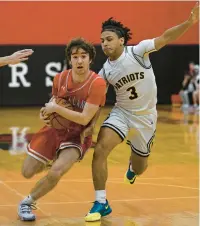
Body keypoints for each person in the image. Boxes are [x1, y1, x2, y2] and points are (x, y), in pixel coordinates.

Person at [85, 2, 199, 222]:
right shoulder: (105, 70)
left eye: (109, 39)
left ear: (121, 40)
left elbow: (165, 37)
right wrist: (90, 124)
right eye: (102, 41)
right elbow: (98, 101)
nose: (104, 44)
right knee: (100, 150)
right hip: (122, 113)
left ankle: (133, 167)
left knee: (140, 168)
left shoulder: (138, 51)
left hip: (146, 117)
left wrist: (189, 23)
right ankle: (101, 201)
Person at [17, 37, 106, 221]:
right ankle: (50, 160)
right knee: (27, 172)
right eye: (75, 56)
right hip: (55, 130)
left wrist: (56, 109)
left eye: (83, 56)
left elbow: (84, 117)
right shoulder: (60, 78)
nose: (79, 60)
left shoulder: (97, 83)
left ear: (90, 59)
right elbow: (53, 103)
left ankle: (27, 202)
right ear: (69, 59)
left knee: (56, 172)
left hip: (78, 134)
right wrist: (45, 114)